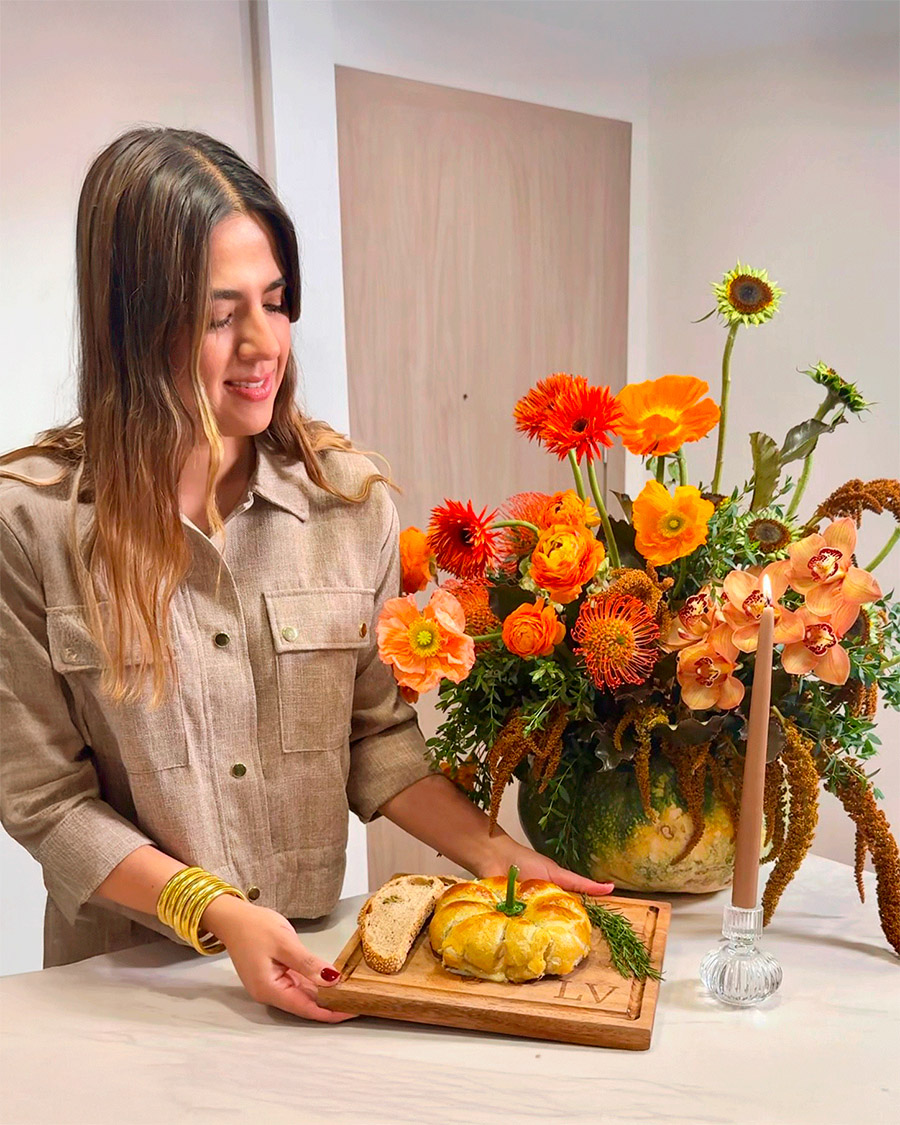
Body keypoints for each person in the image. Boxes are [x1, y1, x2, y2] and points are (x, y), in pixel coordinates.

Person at [0, 126, 613, 1022]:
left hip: (315, 964)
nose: (263, 343)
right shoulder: (31, 523)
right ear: (132, 323)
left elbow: (374, 736)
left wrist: (494, 852)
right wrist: (216, 913)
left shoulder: (348, 500)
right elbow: (47, 801)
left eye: (276, 302)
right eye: (218, 315)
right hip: (126, 992)